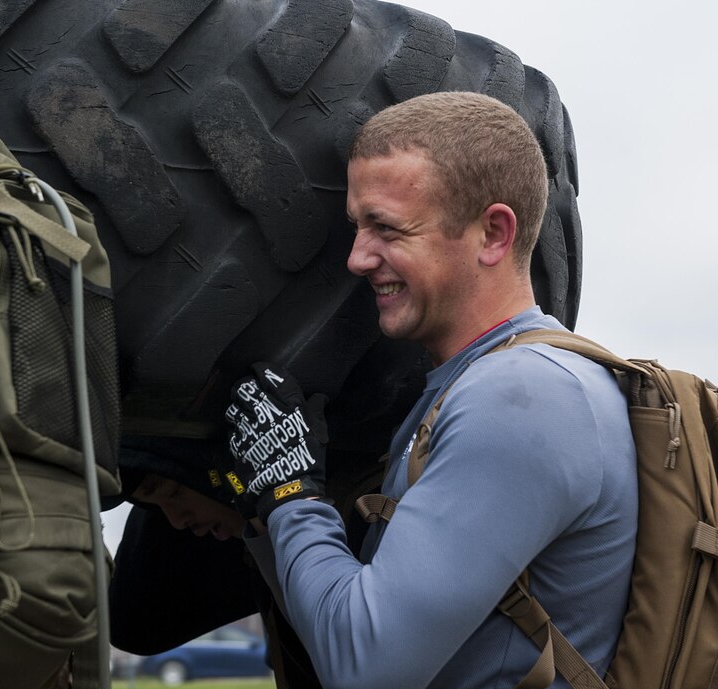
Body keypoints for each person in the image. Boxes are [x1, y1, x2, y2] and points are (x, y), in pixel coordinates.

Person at [224, 92, 639, 689]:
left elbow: (365, 668)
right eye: (357, 226)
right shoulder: (477, 382)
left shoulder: (521, 397)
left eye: (387, 228)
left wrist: (291, 495)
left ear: (493, 234)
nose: (358, 258)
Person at [106, 436, 320, 687]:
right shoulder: (250, 553)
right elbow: (131, 625)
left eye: (176, 492)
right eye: (157, 507)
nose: (176, 521)